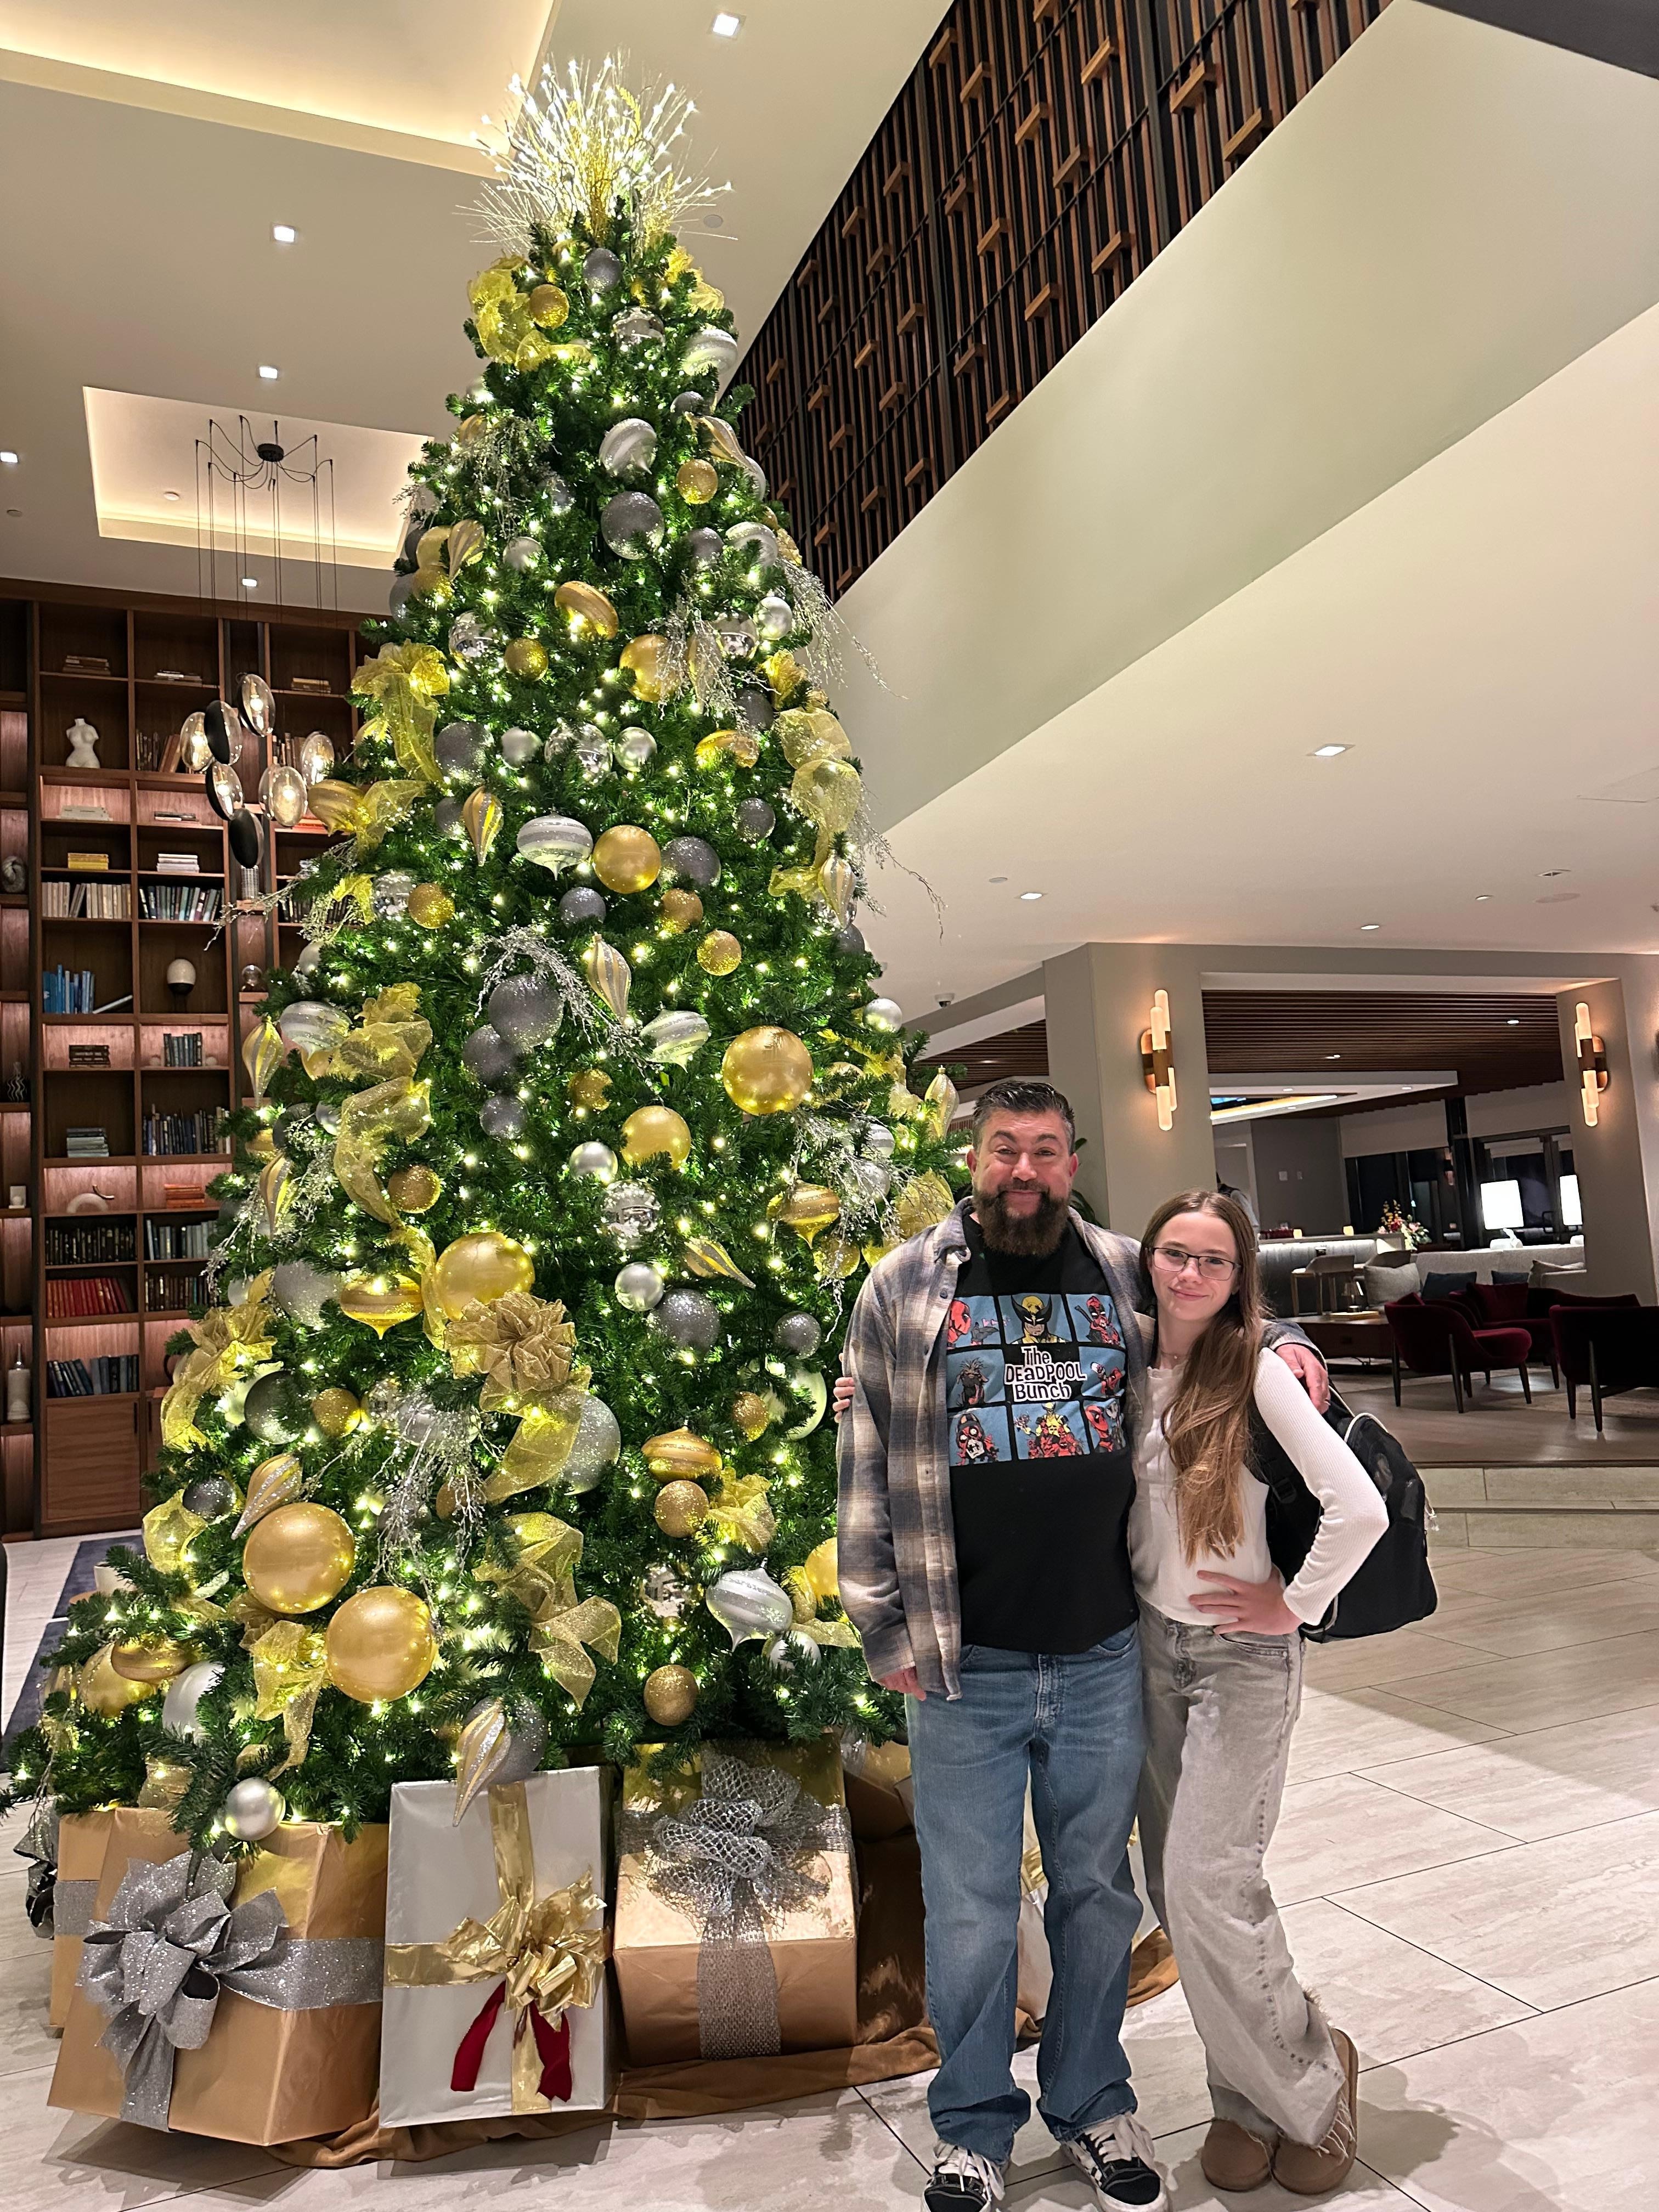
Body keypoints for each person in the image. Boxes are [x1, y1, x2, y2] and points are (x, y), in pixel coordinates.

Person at [835, 1079, 1328, 2212]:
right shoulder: (905, 1284)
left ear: (1072, 1159)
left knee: (1096, 1895)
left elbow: (1220, 1312)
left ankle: (1095, 2104)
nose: (1024, 1171)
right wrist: (881, 1623)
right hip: (963, 1660)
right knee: (966, 1907)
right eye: (1005, 1149)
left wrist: (1292, 1340)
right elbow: (864, 1465)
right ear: (973, 1158)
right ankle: (972, 2127)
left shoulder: (1115, 1266)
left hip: (1106, 1650)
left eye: (1046, 1152)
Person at [1131, 1188, 1388, 2195]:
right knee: (1176, 1893)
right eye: (1174, 1255)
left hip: (1239, 1663)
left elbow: (1356, 1506)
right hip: (1149, 1652)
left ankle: (1316, 2087)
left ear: (1241, 1279)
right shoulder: (1123, 1360)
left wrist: (1296, 1605)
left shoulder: (1256, 1370)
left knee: (1208, 1882)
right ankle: (1241, 2097)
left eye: (1214, 1261)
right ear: (1146, 1259)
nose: (1189, 1274)